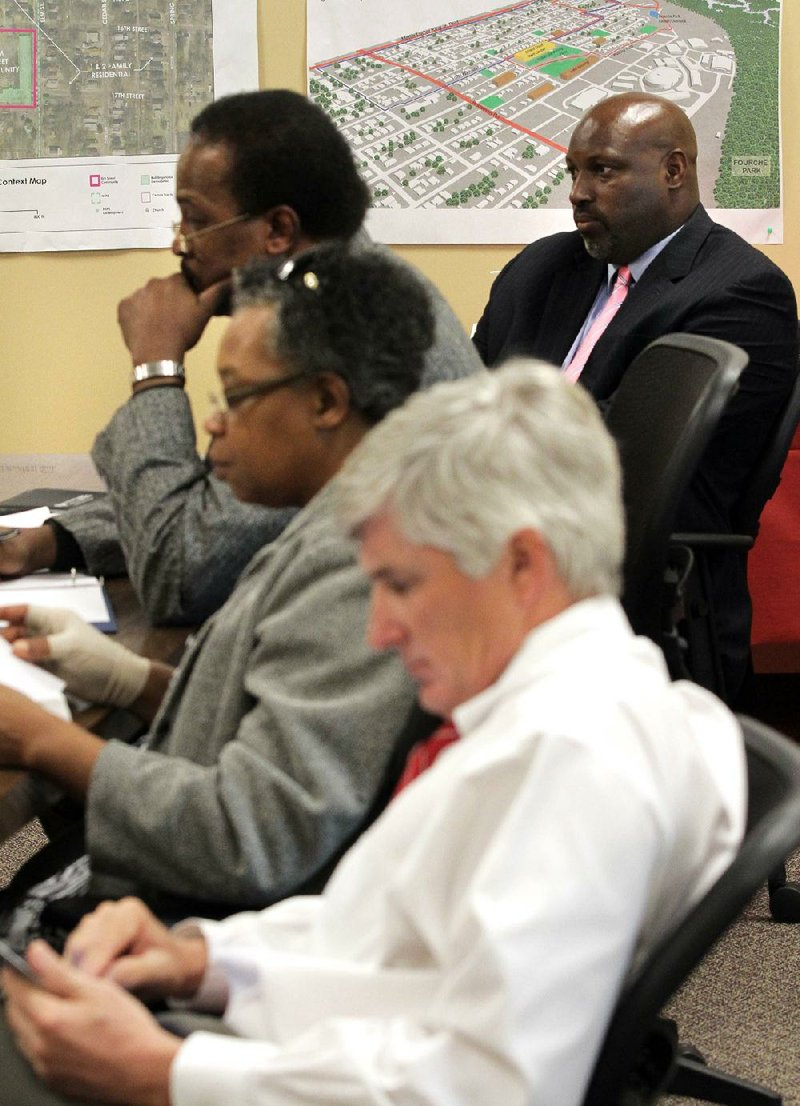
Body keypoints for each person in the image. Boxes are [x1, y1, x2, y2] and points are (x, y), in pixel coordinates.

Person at [0, 361, 746, 1106]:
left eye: (403, 585)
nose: (381, 631)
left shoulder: (575, 759)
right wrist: (202, 957)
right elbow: (390, 936)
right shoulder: (568, 704)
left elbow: (487, 1090)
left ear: (523, 564)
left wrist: (164, 1076)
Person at [0, 243, 436, 947]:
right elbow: (264, 720)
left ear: (326, 401)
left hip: (201, 937)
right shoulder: (337, 519)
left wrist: (41, 739)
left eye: (235, 397)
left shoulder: (363, 570)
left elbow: (248, 836)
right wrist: (127, 678)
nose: (213, 424)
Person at [0, 89, 481, 625]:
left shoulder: (340, 337)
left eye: (196, 220)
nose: (181, 245)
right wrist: (51, 543)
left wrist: (154, 367)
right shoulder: (348, 287)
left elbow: (182, 574)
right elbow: (220, 500)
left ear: (278, 230)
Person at [473, 91, 799, 703]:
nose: (577, 192)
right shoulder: (542, 268)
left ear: (674, 171)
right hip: (507, 539)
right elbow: (465, 391)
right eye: (573, 171)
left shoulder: (741, 290)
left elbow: (630, 454)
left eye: (603, 169)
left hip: (632, 573)